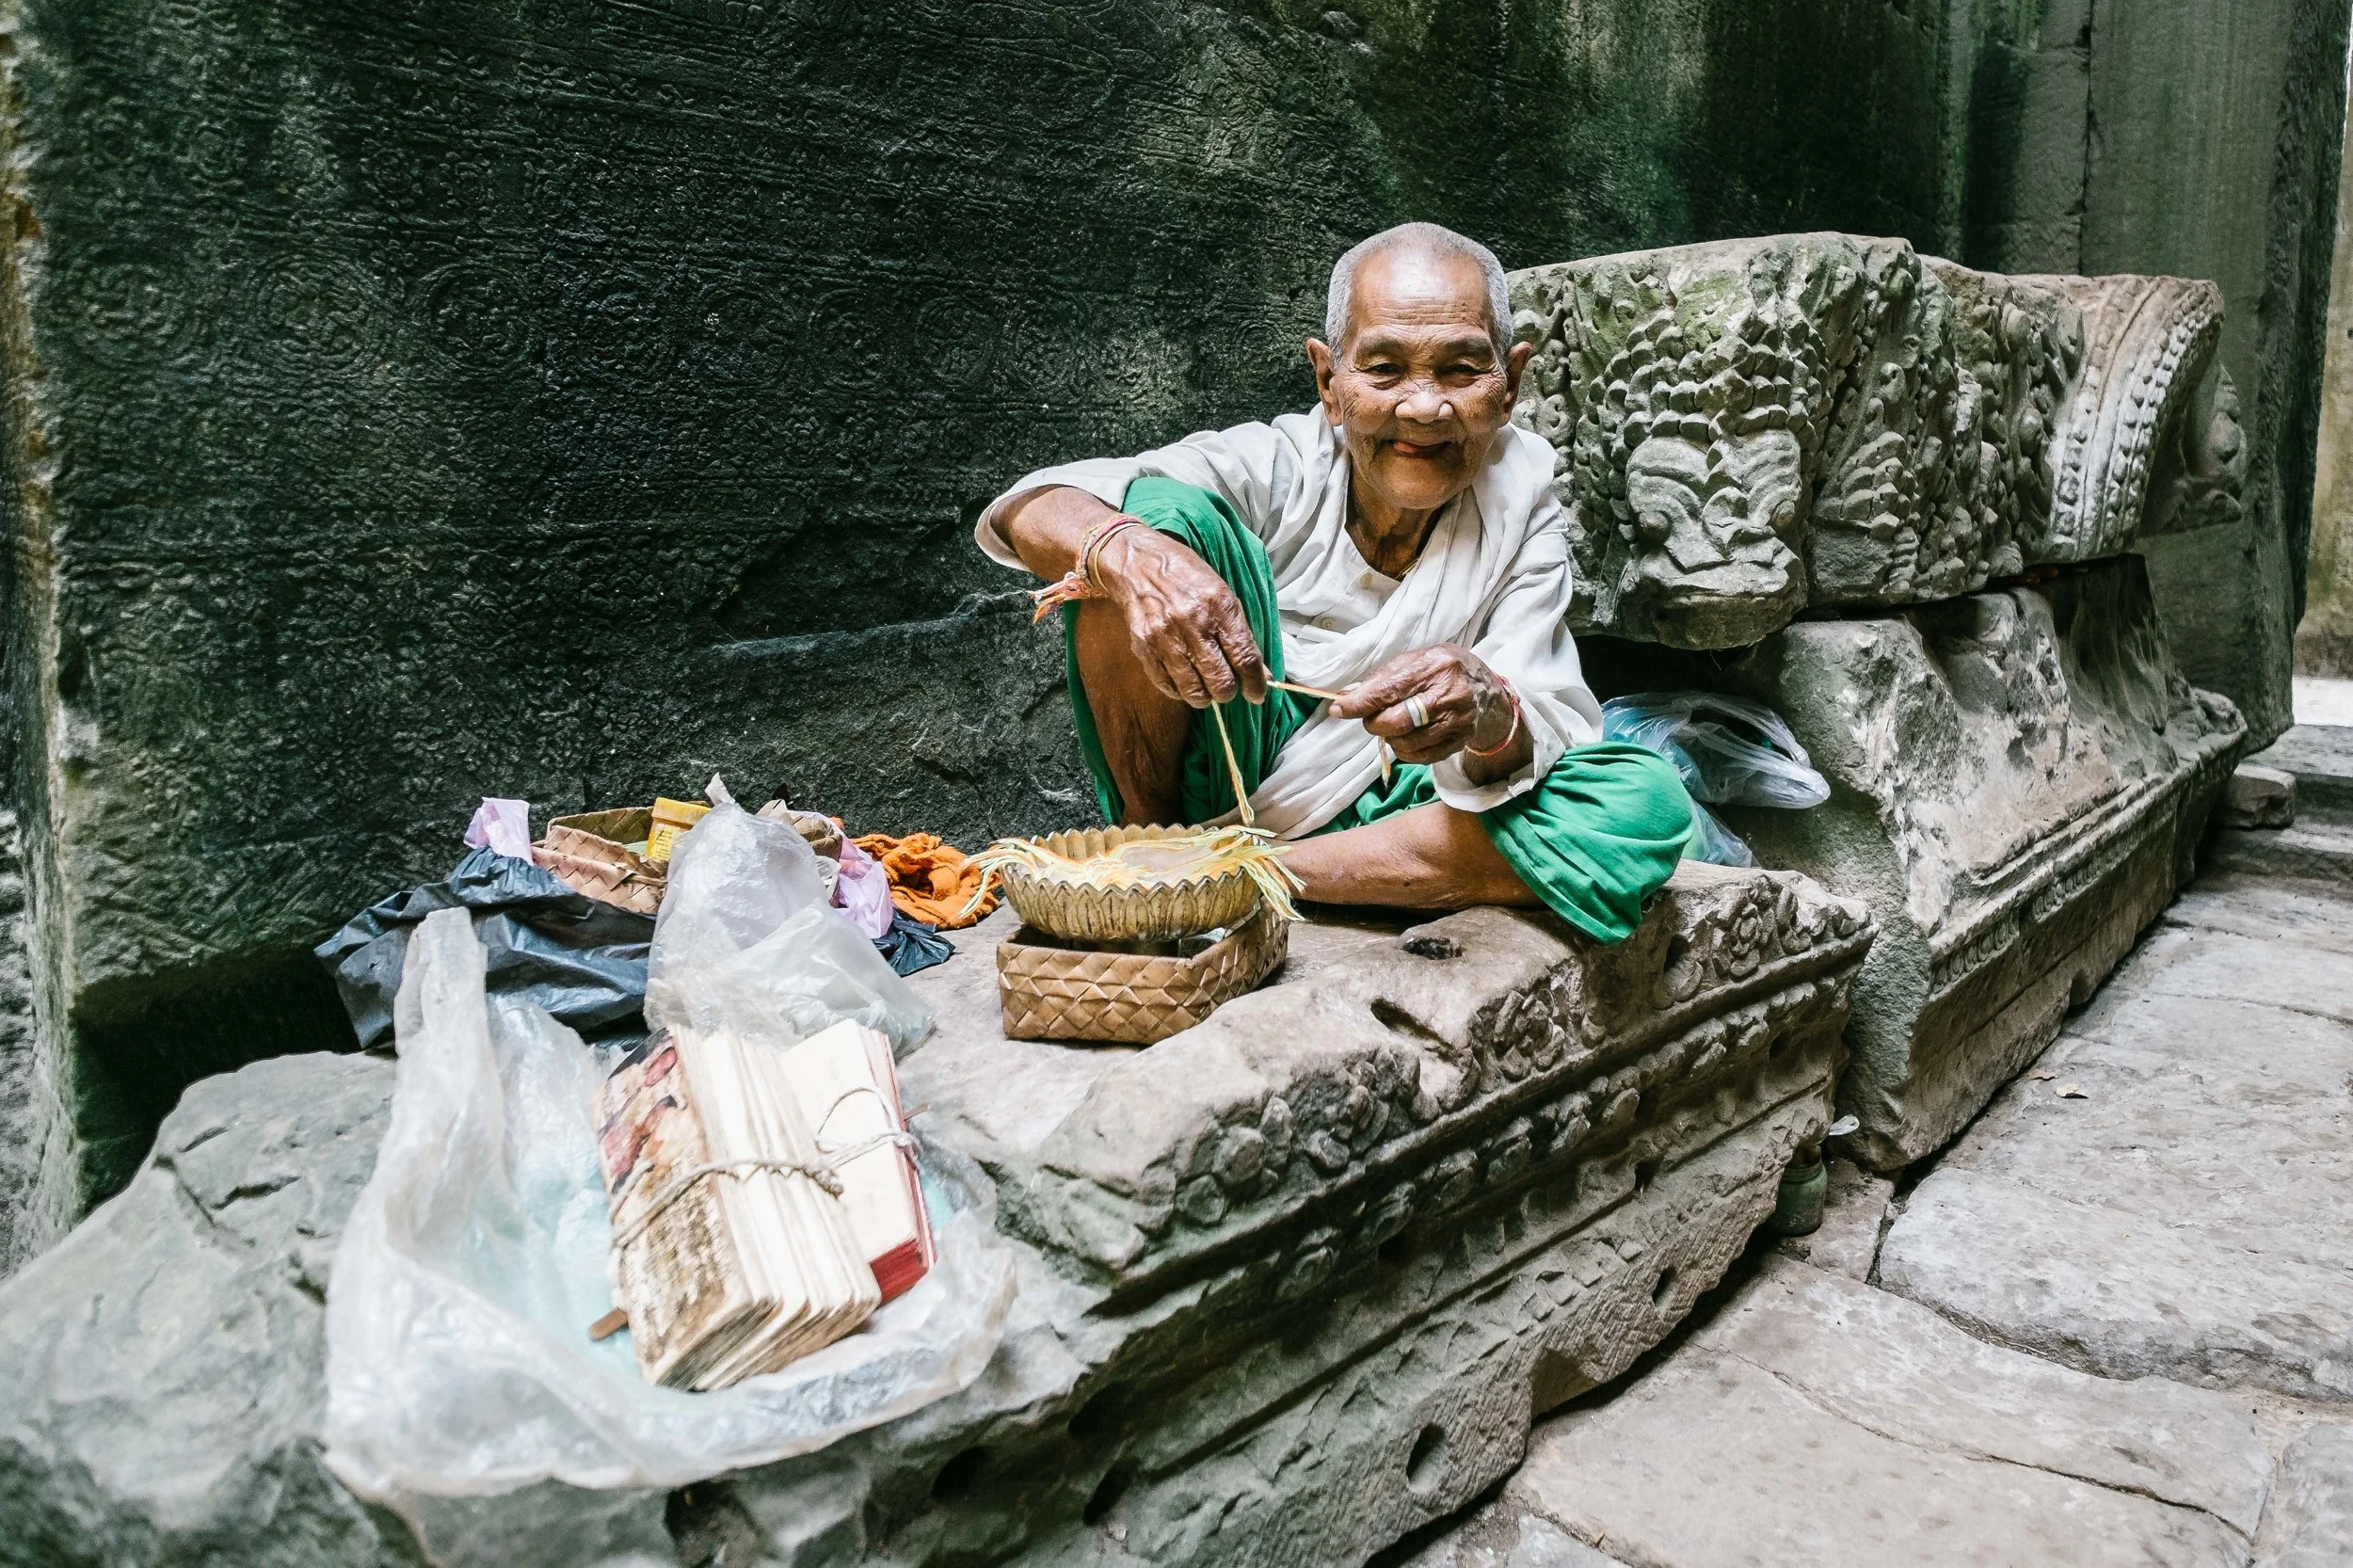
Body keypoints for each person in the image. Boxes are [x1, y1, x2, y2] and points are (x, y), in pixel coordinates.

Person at [975, 222, 1695, 942]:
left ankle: (1228, 878)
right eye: (1384, 369)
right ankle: (1148, 843)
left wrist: (1486, 707)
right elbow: (1032, 509)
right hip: (1220, 770)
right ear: (1330, 381)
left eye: (1460, 370)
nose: (1424, 406)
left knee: (1644, 803)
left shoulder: (1521, 497)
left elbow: (1532, 739)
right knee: (1151, 522)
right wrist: (1134, 557)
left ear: (1509, 387)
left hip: (1400, 808)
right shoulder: (1282, 462)